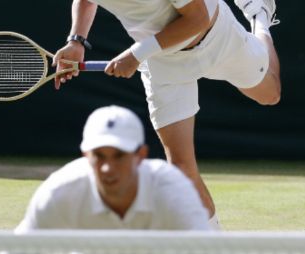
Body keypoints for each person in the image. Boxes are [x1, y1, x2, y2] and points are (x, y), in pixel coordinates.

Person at [51, 0, 281, 229]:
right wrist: (76, 40)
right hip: (161, 59)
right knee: (181, 168)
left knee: (270, 95)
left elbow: (197, 19)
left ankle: (258, 17)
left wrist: (135, 54)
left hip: (215, 38)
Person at [15, 105, 210, 233]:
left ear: (140, 156)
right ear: (85, 156)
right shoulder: (59, 192)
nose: (108, 168)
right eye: (99, 156)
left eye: (119, 155)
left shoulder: (173, 191)